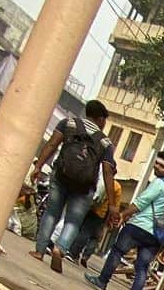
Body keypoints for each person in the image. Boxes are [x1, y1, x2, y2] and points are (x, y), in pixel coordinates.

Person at [86, 151, 164, 290]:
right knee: (142, 267)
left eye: (162, 166)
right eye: (157, 163)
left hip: (139, 226)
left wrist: (123, 214)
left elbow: (141, 203)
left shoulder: (159, 184)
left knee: (117, 251)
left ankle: (102, 281)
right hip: (155, 235)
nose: (157, 167)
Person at [28, 99, 117, 266]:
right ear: (101, 119)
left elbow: (52, 144)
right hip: (84, 187)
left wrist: (38, 166)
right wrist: (112, 204)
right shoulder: (105, 142)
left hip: (61, 177)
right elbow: (107, 172)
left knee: (52, 213)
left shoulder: (68, 124)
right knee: (73, 221)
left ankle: (39, 251)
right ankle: (59, 249)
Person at [67, 170, 124, 267]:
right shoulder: (117, 186)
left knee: (84, 231)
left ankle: (73, 252)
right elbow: (116, 206)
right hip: (102, 215)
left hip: (89, 208)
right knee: (96, 237)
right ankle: (84, 255)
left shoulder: (99, 179)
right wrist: (113, 219)